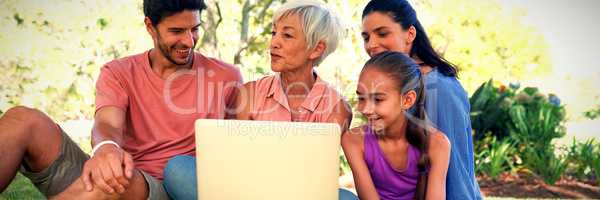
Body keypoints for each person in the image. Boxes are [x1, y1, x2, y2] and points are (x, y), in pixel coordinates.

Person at [0, 0, 242, 199]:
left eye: (195, 29)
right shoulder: (118, 72)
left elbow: (236, 146)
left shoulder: (226, 77)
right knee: (22, 119)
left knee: (114, 180)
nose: (189, 41)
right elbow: (108, 123)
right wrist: (106, 148)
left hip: (163, 188)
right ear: (150, 26)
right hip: (115, 171)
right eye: (177, 31)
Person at [161, 1, 355, 199]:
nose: (274, 43)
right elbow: (231, 162)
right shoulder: (249, 94)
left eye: (287, 35)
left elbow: (316, 179)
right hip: (245, 189)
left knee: (346, 198)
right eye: (273, 33)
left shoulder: (337, 109)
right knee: (177, 168)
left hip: (299, 194)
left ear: (316, 49)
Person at [360, 0, 482, 199]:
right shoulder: (389, 87)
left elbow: (456, 168)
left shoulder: (440, 88)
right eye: (366, 37)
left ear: (410, 34)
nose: (371, 44)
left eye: (382, 33)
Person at [342, 51, 451, 200]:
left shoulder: (438, 144)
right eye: (361, 98)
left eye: (378, 99)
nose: (365, 109)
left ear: (407, 100)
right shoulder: (353, 141)